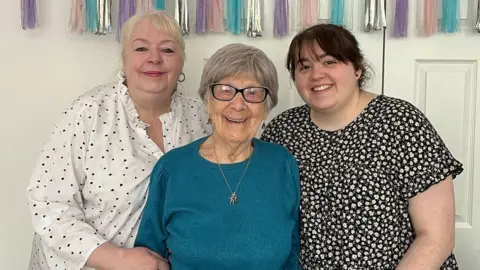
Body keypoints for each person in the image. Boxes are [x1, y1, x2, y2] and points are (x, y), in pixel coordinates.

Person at [261, 24, 463, 270]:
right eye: (304, 67)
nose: (316, 75)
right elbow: (269, 220)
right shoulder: (282, 131)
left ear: (357, 69)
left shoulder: (401, 122)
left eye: (329, 62)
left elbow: (436, 238)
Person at [26, 11, 212, 270]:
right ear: (123, 59)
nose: (154, 58)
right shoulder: (88, 113)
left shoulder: (203, 118)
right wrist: (118, 258)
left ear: (182, 62)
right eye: (141, 48)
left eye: (167, 50)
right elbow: (48, 204)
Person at [134, 43, 301, 269]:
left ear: (266, 107)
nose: (238, 104)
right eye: (225, 90)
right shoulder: (172, 169)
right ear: (207, 101)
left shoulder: (282, 163)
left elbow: (291, 254)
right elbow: (149, 256)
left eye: (253, 92)